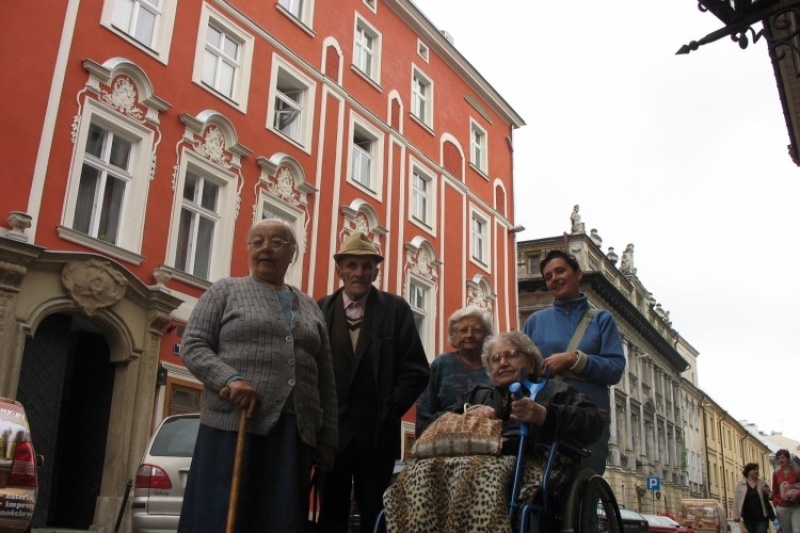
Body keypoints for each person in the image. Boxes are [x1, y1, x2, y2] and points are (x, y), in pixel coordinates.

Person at [177, 219, 338, 533]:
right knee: (222, 515)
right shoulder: (225, 291)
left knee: (280, 519)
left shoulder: (311, 308)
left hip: (295, 430)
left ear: (292, 254)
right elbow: (193, 345)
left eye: (277, 242)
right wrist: (229, 380)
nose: (266, 248)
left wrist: (328, 438)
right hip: (234, 425)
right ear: (248, 249)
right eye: (258, 241)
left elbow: (326, 379)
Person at [384, 331, 602, 533]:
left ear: (532, 361)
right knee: (419, 472)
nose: (503, 363)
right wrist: (468, 412)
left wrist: (545, 415)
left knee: (482, 472)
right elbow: (435, 424)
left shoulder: (554, 390)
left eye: (512, 355)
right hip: (469, 463)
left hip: (535, 464)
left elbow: (592, 423)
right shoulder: (478, 396)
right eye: (495, 359)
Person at [317, 231, 430, 533]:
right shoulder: (320, 310)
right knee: (330, 514)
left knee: (376, 516)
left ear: (376, 271)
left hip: (378, 436)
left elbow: (417, 370)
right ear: (339, 269)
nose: (359, 272)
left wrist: (389, 409)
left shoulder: (396, 309)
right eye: (352, 265)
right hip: (331, 436)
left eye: (367, 266)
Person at [522, 249, 625, 475]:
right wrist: (554, 369)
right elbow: (525, 370)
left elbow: (615, 369)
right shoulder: (535, 322)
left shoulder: (601, 319)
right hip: (547, 413)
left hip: (590, 418)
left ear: (578, 274)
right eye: (548, 276)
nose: (554, 278)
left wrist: (573, 359)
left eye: (560, 271)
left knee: (584, 483)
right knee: (542, 485)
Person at [414, 305, 494, 437]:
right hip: (445, 444)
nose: (469, 335)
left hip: (489, 444)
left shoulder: (495, 368)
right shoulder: (442, 365)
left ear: (486, 335)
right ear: (454, 336)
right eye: (463, 330)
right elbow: (424, 416)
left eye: (477, 330)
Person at [734, 463, 772, 533]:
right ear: (748, 471)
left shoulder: (762, 482)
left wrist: (767, 492)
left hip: (762, 516)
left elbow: (771, 497)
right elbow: (736, 500)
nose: (756, 471)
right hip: (748, 517)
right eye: (754, 469)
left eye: (757, 469)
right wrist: (736, 516)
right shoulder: (741, 484)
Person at [772, 449, 800, 533]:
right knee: (787, 531)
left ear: (788, 459)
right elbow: (775, 490)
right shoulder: (776, 473)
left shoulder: (796, 472)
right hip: (782, 507)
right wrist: (776, 504)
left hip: (796, 506)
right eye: (779, 458)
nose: (781, 460)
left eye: (783, 457)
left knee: (797, 530)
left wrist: (796, 495)